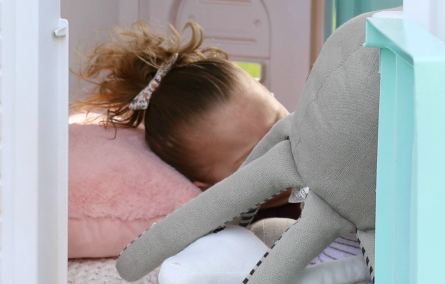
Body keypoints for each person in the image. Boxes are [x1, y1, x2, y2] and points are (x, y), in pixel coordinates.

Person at [75, 21, 288, 190]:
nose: (287, 150)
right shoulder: (263, 230)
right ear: (212, 188)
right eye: (258, 155)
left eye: (280, 122)